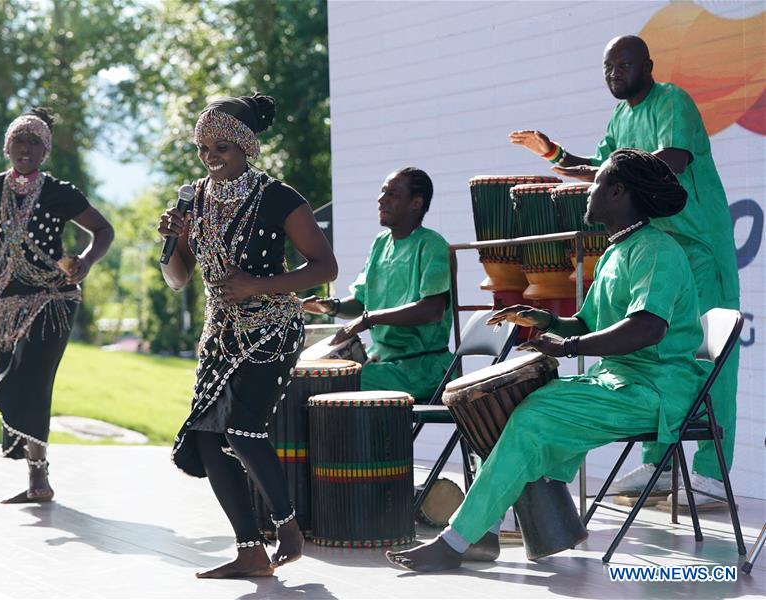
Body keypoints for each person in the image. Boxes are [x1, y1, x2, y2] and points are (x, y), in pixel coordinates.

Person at [387, 148, 707, 572]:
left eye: (595, 185)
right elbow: (588, 322)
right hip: (618, 382)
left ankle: (456, 542)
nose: (587, 192)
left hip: (656, 389)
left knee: (531, 417)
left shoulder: (656, 251)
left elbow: (648, 328)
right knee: (498, 409)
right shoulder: (616, 251)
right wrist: (547, 320)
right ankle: (483, 534)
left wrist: (570, 348)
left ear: (617, 191)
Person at [509, 35, 740, 507]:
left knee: (709, 357)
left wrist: (612, 177)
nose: (615, 73)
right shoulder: (620, 117)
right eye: (608, 67)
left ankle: (712, 473)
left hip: (698, 245)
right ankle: (660, 463)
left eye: (624, 64)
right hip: (661, 247)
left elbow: (669, 162)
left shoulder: (670, 100)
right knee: (662, 356)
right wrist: (554, 154)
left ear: (647, 66)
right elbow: (604, 170)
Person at [158, 93, 337, 578]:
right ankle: (250, 552)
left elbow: (325, 267)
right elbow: (176, 279)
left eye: (222, 148)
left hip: (273, 328)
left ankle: (288, 526)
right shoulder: (192, 198)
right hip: (220, 333)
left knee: (242, 427)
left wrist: (258, 285)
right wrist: (173, 238)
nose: (211, 158)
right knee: (208, 436)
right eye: (203, 149)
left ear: (246, 148)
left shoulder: (279, 197)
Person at [0, 107, 114, 503]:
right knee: (18, 378)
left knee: (33, 378)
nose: (25, 149)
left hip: (54, 297)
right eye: (18, 141)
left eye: (34, 143)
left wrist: (86, 262)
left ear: (45, 152)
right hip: (6, 299)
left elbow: (103, 230)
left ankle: (7, 400)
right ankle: (36, 479)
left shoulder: (61, 193)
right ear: (8, 147)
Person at [302, 167, 454, 401]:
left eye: (392, 194)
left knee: (328, 385)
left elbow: (432, 310)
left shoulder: (432, 245)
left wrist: (369, 319)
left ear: (416, 203)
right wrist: (331, 307)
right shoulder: (380, 243)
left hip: (422, 369)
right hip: (381, 363)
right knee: (308, 378)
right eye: (383, 192)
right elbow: (362, 301)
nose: (381, 199)